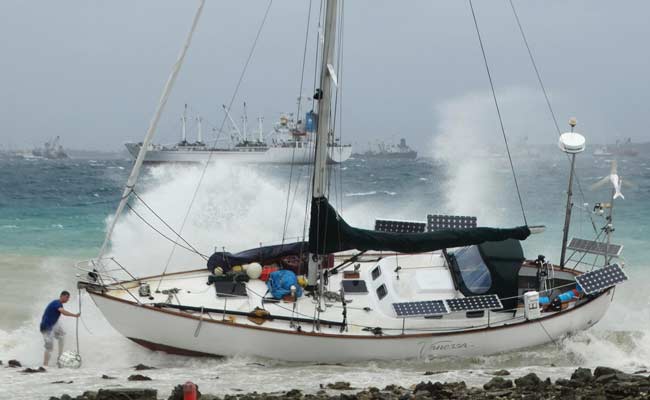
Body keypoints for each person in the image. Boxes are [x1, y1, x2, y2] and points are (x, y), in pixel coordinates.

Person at [40, 290, 80, 367]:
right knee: (49, 347)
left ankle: (59, 357)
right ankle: (45, 365)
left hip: (52, 326)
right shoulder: (57, 303)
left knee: (62, 335)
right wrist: (74, 315)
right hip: (46, 328)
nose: (68, 300)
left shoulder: (58, 303)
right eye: (67, 297)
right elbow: (63, 312)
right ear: (62, 296)